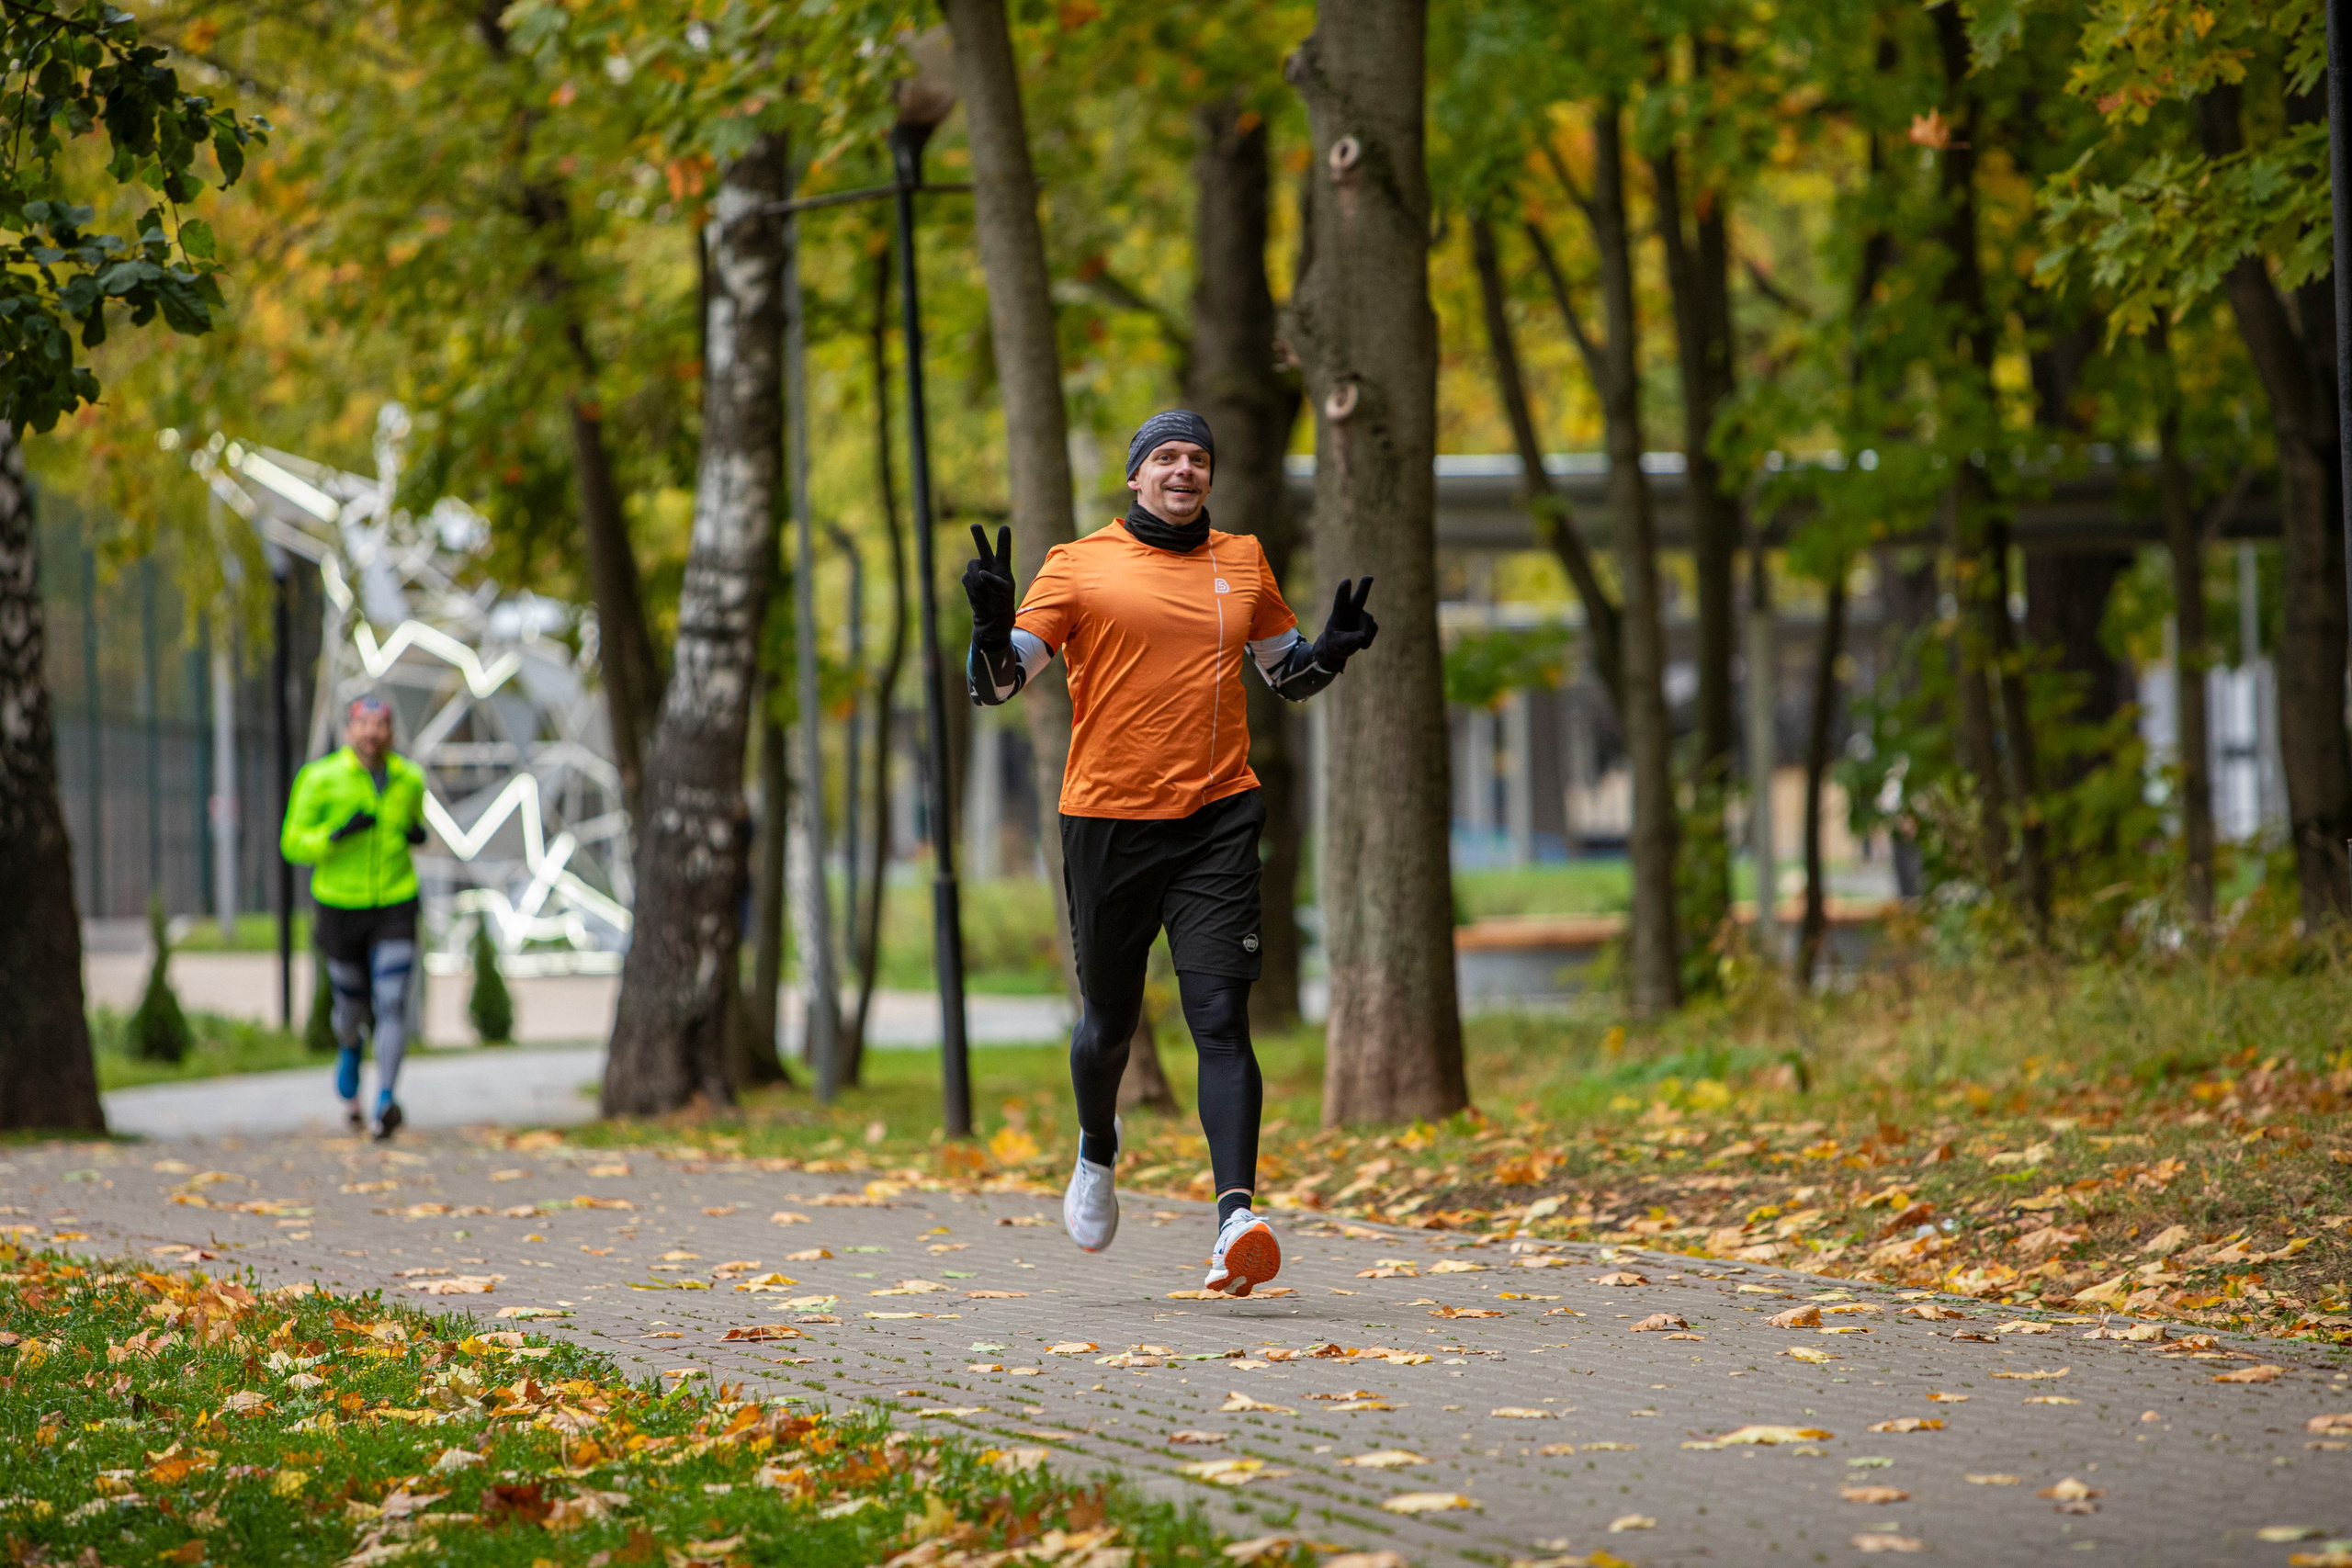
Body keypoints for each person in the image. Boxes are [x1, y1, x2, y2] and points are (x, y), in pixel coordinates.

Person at [964, 408, 1377, 1296]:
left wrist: (1333, 653)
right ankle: (1097, 1147)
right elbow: (996, 686)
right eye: (1167, 457)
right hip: (1107, 819)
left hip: (1217, 815)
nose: (1185, 469)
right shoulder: (1078, 563)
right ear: (1136, 475)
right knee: (1109, 1022)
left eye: (1198, 458)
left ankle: (1237, 1218)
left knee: (1220, 1018)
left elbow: (1287, 671)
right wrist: (993, 628)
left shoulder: (1243, 559)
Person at [282, 694, 431, 1139]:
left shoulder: (409, 779)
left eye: (381, 725)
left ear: (391, 732)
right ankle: (349, 1047)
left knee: (391, 1001)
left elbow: (415, 823)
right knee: (351, 1010)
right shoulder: (320, 778)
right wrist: (335, 836)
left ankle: (385, 1100)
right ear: (348, 731)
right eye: (363, 725)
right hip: (339, 906)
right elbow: (292, 842)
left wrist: (415, 833)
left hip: (395, 903)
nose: (372, 733)